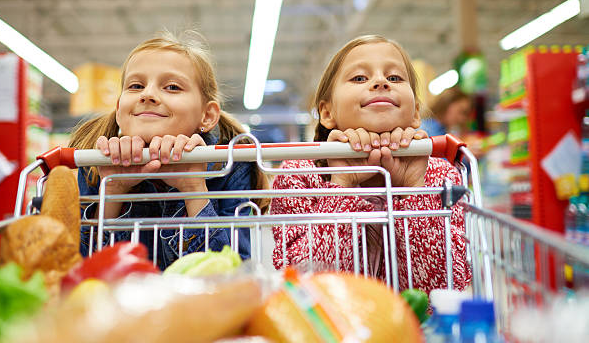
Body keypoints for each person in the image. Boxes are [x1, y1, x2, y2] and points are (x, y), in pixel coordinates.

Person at [270, 35, 471, 293]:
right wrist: (341, 185)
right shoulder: (298, 177)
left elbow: (443, 288)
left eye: (395, 78)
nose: (380, 82)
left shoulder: (440, 177)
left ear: (416, 112)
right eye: (360, 78)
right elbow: (302, 286)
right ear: (327, 113)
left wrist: (413, 189)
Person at [69, 31, 268, 269]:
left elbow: (233, 272)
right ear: (119, 109)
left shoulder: (231, 168)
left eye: (172, 87)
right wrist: (113, 192)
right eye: (136, 85)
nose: (148, 94)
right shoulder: (96, 165)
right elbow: (81, 274)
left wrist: (194, 188)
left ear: (207, 115)